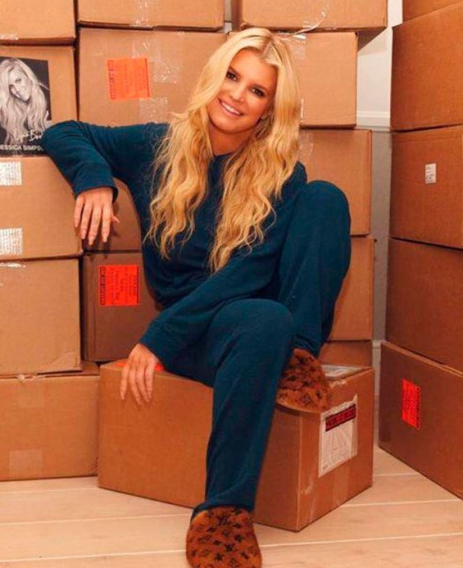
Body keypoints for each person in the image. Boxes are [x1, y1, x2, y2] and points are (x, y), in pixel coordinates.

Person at [42, 28, 350, 568]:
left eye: (257, 90)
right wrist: (94, 179)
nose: (237, 95)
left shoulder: (282, 173)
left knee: (324, 200)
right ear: (214, 76)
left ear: (269, 111)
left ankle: (297, 361)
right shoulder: (158, 146)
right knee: (264, 321)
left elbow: (250, 270)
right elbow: (63, 132)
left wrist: (157, 339)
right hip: (200, 327)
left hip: (254, 313)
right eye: (232, 76)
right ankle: (224, 514)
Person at [0, 57, 50, 146]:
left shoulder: (47, 98)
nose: (17, 90)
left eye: (18, 80)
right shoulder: (9, 108)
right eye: (10, 86)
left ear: (28, 76)